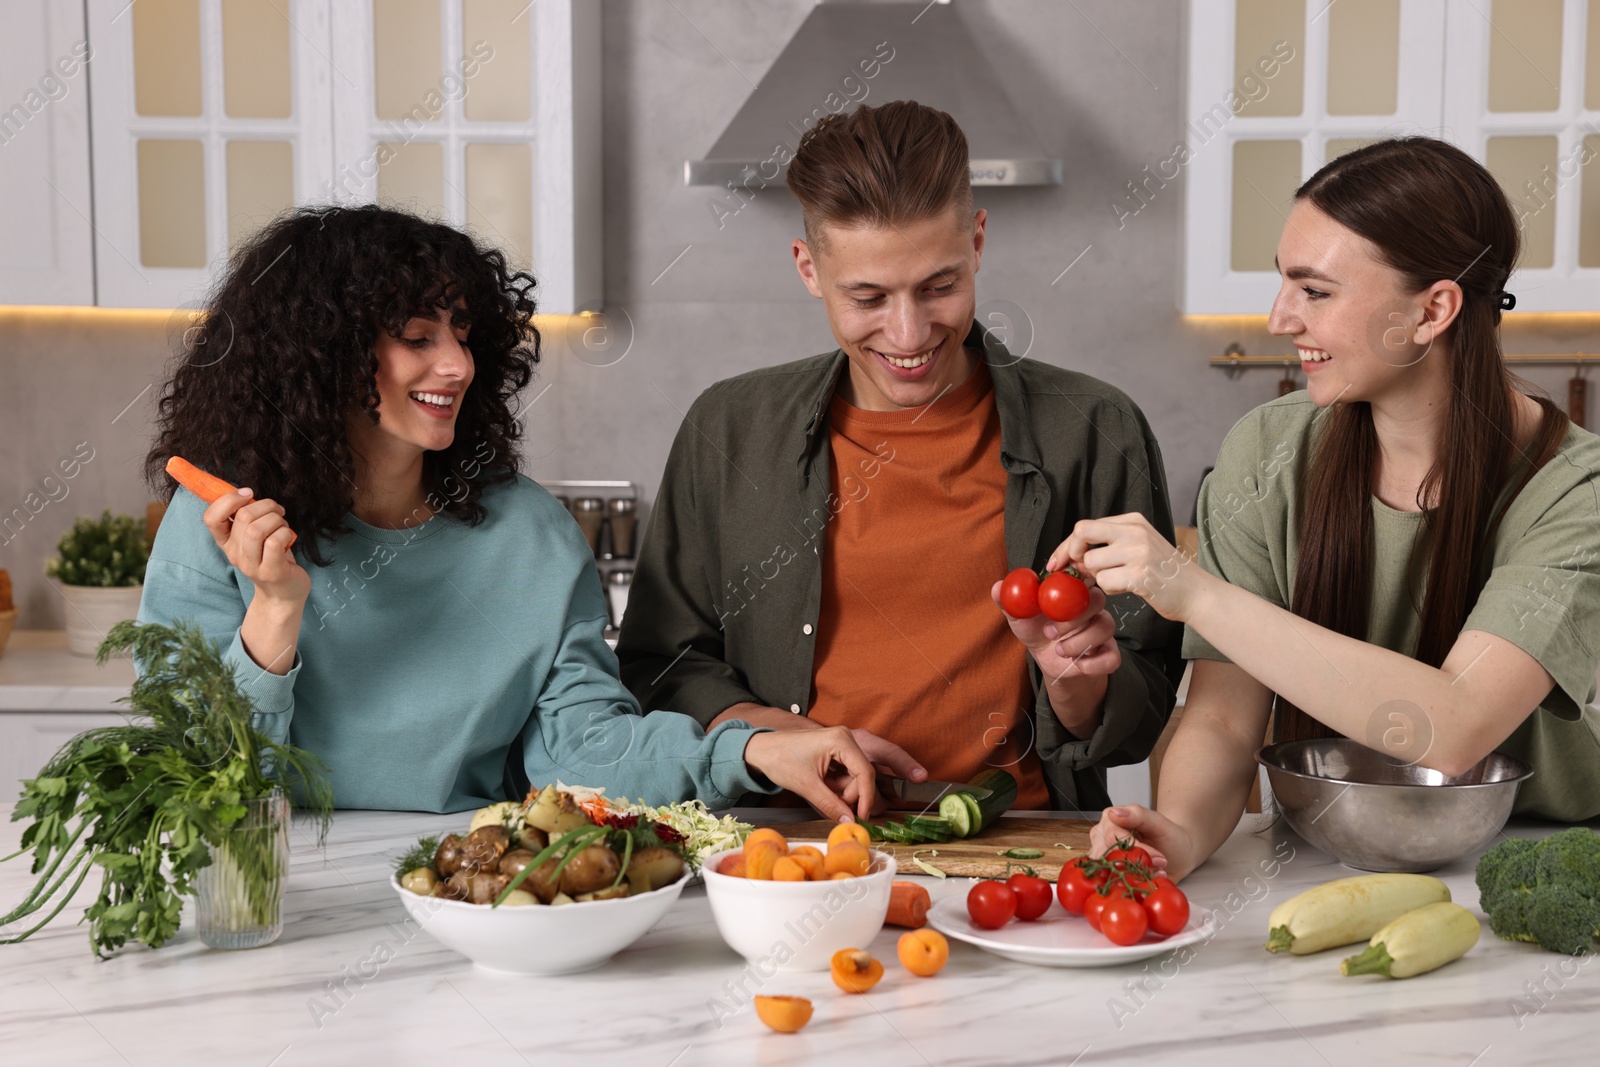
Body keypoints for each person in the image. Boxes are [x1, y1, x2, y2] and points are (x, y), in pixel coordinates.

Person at [137, 204, 885, 819]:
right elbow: (197, 779)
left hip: (467, 883)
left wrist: (748, 750)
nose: (457, 364)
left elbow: (584, 751)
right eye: (418, 338)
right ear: (324, 355)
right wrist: (273, 611)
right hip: (279, 894)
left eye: (462, 334)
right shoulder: (226, 524)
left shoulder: (531, 536)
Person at [616, 101, 1184, 813]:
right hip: (790, 847)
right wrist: (787, 739)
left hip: (1024, 850)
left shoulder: (1098, 430)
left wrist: (1077, 683)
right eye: (868, 296)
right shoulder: (726, 430)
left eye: (939, 286)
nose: (909, 332)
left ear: (977, 242)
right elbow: (656, 665)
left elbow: (1147, 698)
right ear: (808, 269)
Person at [1058, 137, 1600, 879]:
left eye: (1315, 292)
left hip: (1543, 863)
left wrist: (1194, 593)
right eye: (1285, 284)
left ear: (1433, 309)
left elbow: (1455, 724)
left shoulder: (1577, 492)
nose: (1281, 318)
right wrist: (1178, 830)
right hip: (1321, 852)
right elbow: (1223, 714)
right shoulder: (1268, 452)